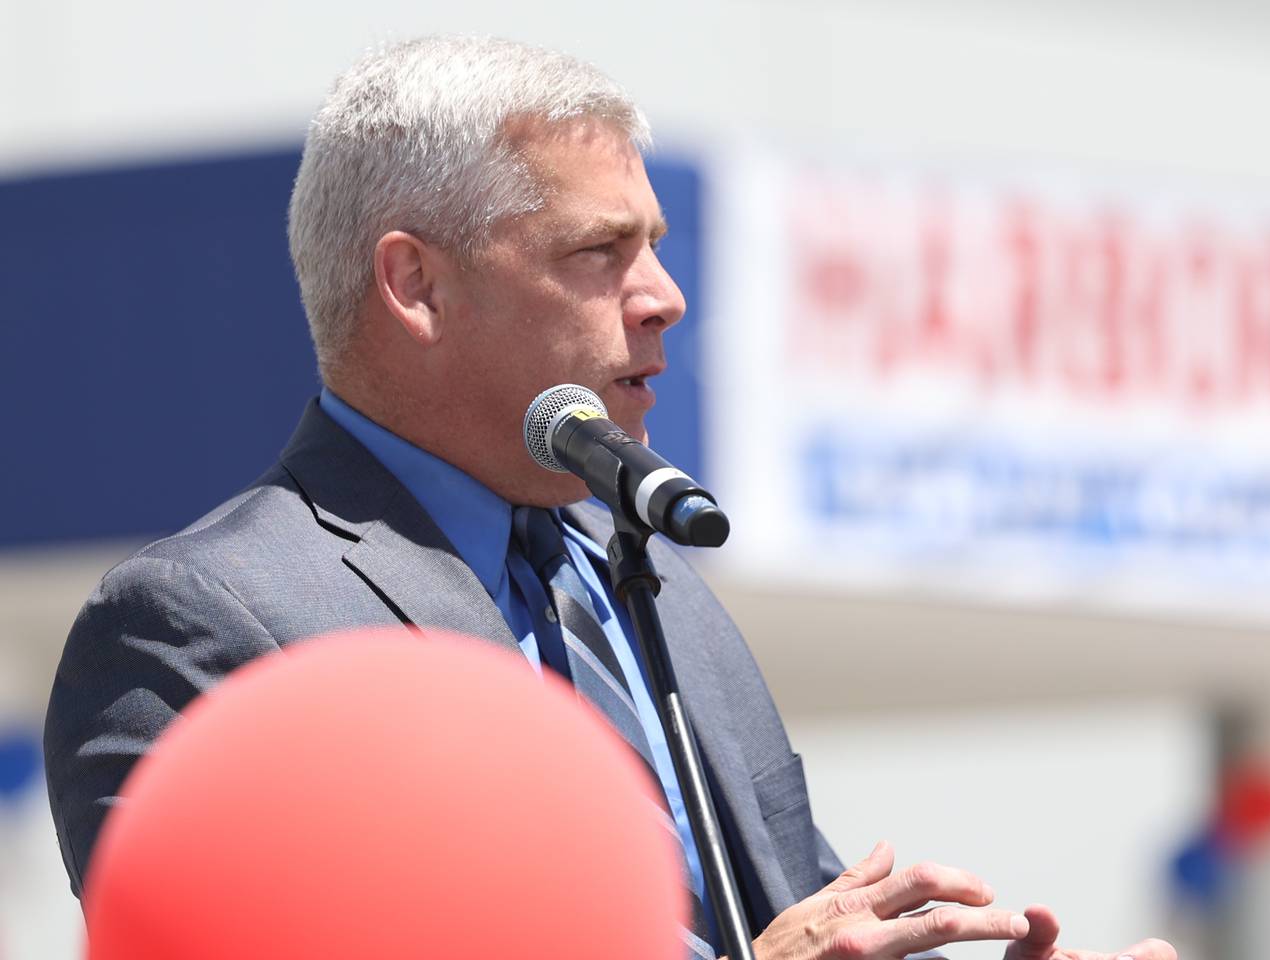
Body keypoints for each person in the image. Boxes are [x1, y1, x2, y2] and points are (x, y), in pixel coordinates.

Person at [45, 35, 1175, 960]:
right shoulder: (194, 628)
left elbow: (780, 926)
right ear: (416, 285)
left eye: (659, 248)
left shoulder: (653, 581)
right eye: (600, 251)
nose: (666, 297)